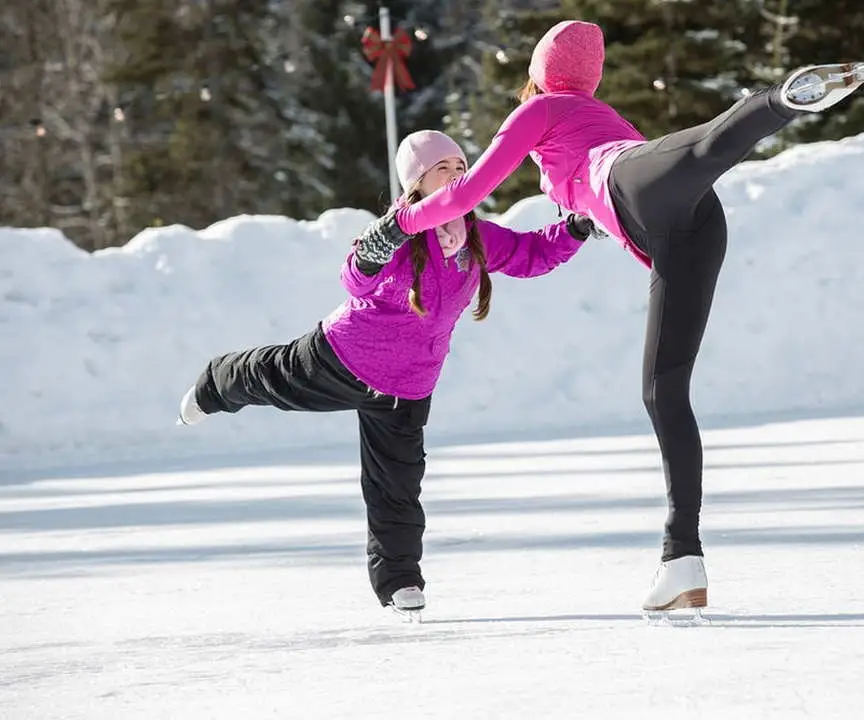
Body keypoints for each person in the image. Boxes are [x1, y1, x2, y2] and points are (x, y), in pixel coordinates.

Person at [351, 20, 864, 613]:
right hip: (691, 229)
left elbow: (468, 193)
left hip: (634, 182)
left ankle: (780, 101)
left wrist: (400, 222)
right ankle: (681, 559)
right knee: (662, 390)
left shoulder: (543, 109)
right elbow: (549, 230)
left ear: (540, 72)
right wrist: (579, 219)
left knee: (701, 153)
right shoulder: (603, 113)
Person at [175, 129, 594, 615]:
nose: (457, 177)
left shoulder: (474, 235)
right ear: (416, 182)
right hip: (344, 359)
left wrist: (576, 229)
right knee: (267, 379)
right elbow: (354, 277)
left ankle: (399, 581)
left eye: (462, 168)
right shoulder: (401, 229)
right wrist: (378, 243)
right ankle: (214, 383)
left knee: (397, 484)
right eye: (443, 169)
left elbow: (530, 254)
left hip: (410, 387)